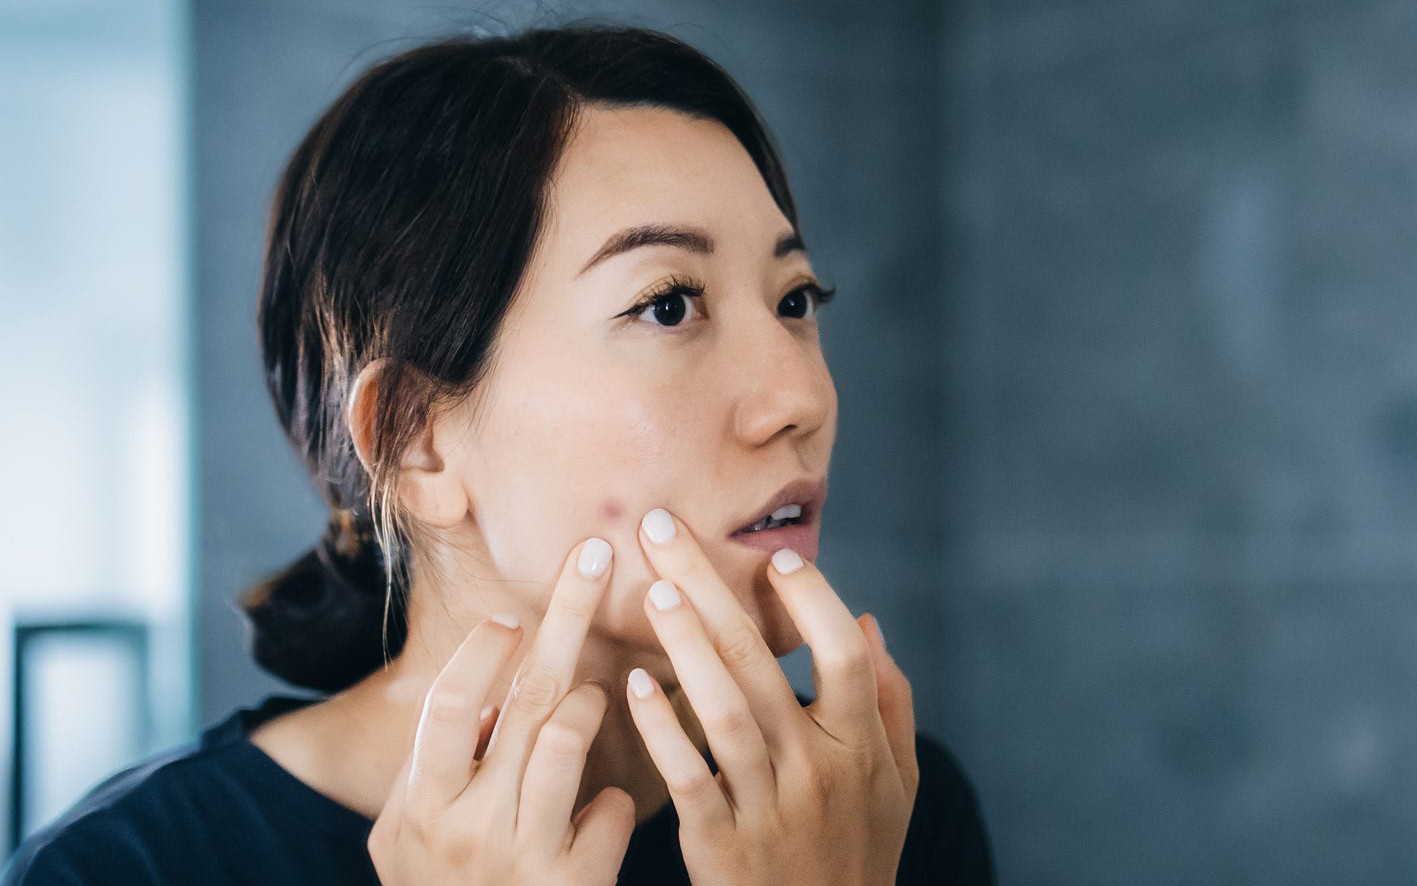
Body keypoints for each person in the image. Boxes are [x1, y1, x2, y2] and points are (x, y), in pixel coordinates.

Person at [4, 22, 994, 884]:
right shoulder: (126, 868)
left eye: (794, 300)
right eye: (666, 305)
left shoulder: (878, 806)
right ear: (415, 437)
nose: (801, 399)